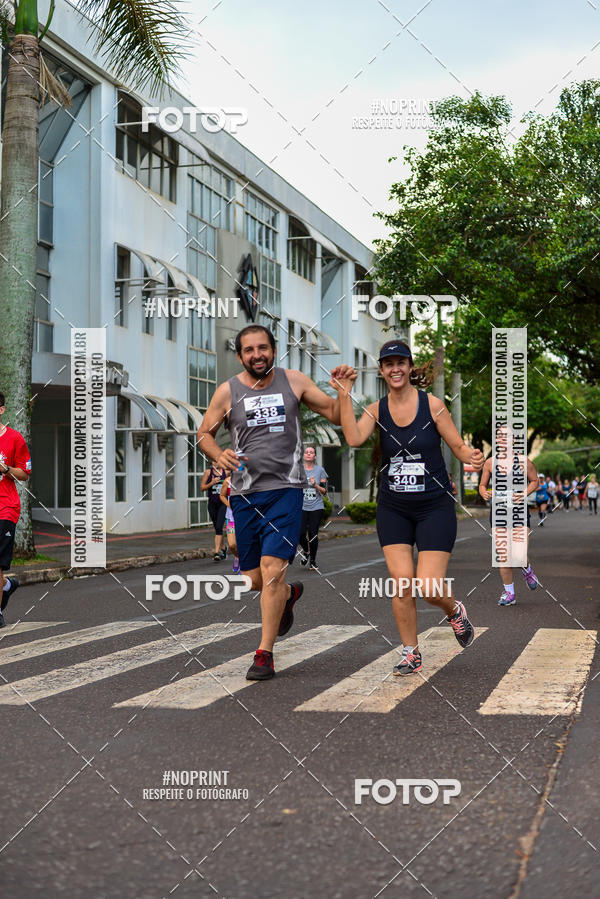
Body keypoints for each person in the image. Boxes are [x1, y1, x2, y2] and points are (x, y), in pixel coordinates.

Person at [197, 324, 353, 681]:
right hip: (245, 494)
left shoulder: (294, 381)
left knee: (271, 570)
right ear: (240, 356)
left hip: (287, 490)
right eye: (249, 350)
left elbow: (335, 414)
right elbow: (204, 432)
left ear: (273, 349)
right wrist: (218, 453)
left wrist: (344, 392)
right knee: (253, 579)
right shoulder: (228, 391)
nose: (257, 355)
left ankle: (264, 654)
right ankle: (288, 595)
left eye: (263, 348)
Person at [332, 340, 484, 676]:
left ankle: (454, 610)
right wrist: (344, 393)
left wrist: (472, 456)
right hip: (393, 508)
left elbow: (457, 446)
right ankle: (410, 651)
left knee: (429, 586)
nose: (395, 369)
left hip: (434, 506)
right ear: (383, 371)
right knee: (402, 582)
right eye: (388, 364)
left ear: (409, 366)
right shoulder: (375, 409)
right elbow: (355, 439)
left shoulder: (433, 406)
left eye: (401, 362)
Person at [479, 427, 539, 606]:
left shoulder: (523, 461)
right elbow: (482, 485)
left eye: (507, 436)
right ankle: (509, 594)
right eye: (499, 436)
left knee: (519, 553)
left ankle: (527, 570)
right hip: (499, 514)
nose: (503, 439)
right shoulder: (490, 463)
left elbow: (535, 481)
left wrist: (524, 493)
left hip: (519, 512)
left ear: (514, 440)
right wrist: (484, 492)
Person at [0, 392, 32, 628]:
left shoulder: (14, 439)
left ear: (1, 410)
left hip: (5, 508)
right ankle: (7, 586)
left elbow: (24, 473)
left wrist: (5, 468)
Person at [299, 445, 328, 570]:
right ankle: (306, 551)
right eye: (307, 452)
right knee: (300, 534)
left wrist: (315, 484)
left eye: (311, 452)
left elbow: (324, 491)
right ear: (304, 455)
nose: (309, 454)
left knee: (313, 534)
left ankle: (313, 561)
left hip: (316, 506)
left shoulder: (320, 470)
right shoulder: (299, 470)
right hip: (301, 507)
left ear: (315, 456)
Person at [201, 465, 227, 560]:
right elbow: (202, 488)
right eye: (213, 461)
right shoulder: (208, 472)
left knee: (219, 526)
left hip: (223, 504)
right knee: (217, 529)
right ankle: (223, 548)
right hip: (212, 504)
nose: (215, 463)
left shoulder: (226, 472)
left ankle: (216, 552)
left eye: (217, 461)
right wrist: (211, 483)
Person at [220, 477, 240, 573]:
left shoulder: (250, 479)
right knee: (232, 545)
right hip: (231, 518)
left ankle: (244, 566)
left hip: (245, 518)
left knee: (243, 543)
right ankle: (237, 557)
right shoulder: (228, 481)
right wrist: (229, 505)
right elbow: (222, 496)